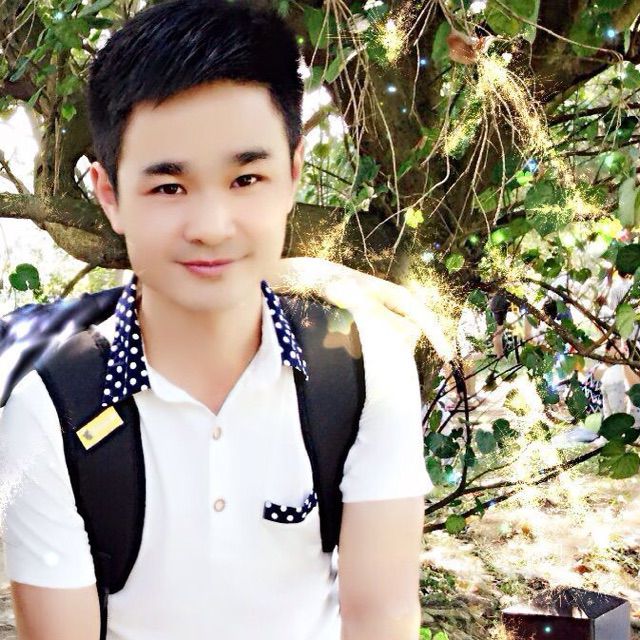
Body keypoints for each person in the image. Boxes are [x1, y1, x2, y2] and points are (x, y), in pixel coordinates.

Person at [0, 2, 431, 639]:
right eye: (168, 187)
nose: (210, 227)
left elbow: (381, 615)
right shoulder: (48, 412)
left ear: (293, 173)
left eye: (246, 178)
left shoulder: (365, 371)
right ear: (109, 195)